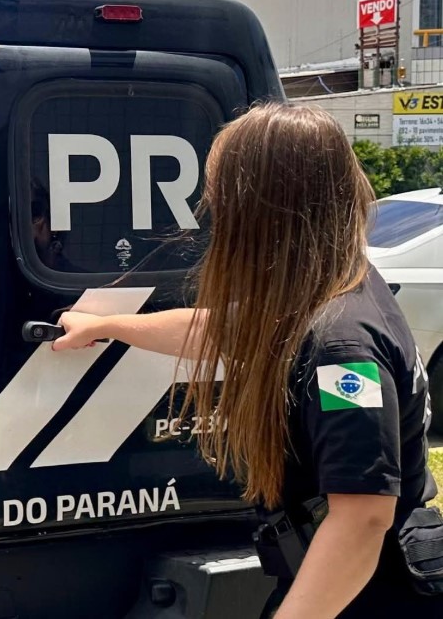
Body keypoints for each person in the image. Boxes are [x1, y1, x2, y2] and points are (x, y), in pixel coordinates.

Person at [52, 102, 443, 618]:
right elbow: (229, 329)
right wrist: (110, 326)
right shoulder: (332, 287)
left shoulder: (341, 349)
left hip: (366, 596)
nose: (213, 212)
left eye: (222, 199)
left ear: (266, 209)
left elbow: (362, 518)